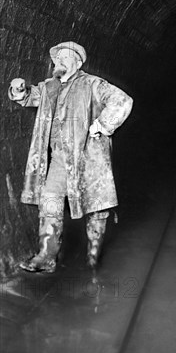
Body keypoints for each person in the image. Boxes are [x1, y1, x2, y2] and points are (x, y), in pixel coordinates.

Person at [8, 41, 133, 272]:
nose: (59, 62)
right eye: (57, 58)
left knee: (96, 206)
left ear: (78, 62)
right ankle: (46, 256)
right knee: (49, 201)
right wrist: (19, 89)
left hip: (89, 159)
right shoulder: (49, 88)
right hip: (58, 159)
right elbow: (29, 98)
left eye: (66, 58)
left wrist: (102, 126)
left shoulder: (92, 84)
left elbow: (123, 101)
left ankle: (93, 258)